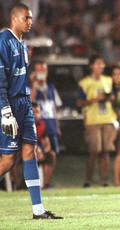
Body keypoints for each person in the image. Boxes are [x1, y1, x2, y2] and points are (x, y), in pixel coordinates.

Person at [0, 3, 62, 219]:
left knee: (30, 151)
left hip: (24, 104)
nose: (30, 22)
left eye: (31, 18)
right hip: (9, 105)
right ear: (14, 18)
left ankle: (38, 209)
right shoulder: (3, 41)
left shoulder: (23, 44)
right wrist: (5, 110)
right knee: (7, 160)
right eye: (26, 18)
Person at [77, 54, 117, 187]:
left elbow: (113, 96)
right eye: (98, 64)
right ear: (91, 66)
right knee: (95, 150)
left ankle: (103, 180)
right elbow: (79, 102)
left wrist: (109, 98)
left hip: (107, 118)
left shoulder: (108, 80)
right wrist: (94, 99)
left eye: (102, 64)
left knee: (106, 151)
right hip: (93, 120)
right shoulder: (85, 83)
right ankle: (88, 179)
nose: (101, 66)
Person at [29, 60, 62, 156]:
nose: (42, 73)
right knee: (38, 153)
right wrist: (34, 84)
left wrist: (57, 126)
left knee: (53, 153)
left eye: (43, 70)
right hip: (38, 125)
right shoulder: (29, 88)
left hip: (51, 124)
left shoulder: (51, 88)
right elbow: (30, 101)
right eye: (39, 70)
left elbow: (55, 108)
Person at [32, 102, 57, 189]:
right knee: (14, 157)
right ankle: (19, 185)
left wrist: (43, 152)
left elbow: (47, 144)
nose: (36, 115)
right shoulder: (22, 125)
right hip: (23, 151)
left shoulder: (42, 125)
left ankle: (45, 184)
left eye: (37, 112)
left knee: (51, 155)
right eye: (33, 112)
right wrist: (35, 152)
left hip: (37, 150)